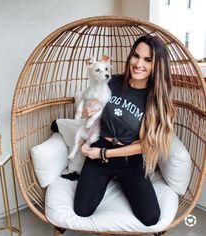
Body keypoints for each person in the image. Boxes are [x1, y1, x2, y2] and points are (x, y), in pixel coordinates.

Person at [73, 34, 176, 227]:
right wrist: (86, 115)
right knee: (82, 210)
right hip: (100, 147)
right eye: (136, 56)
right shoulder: (110, 83)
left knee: (150, 217)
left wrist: (104, 154)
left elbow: (146, 145)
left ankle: (120, 179)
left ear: (157, 65)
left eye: (148, 60)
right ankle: (107, 177)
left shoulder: (154, 99)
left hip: (129, 158)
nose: (138, 64)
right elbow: (90, 116)